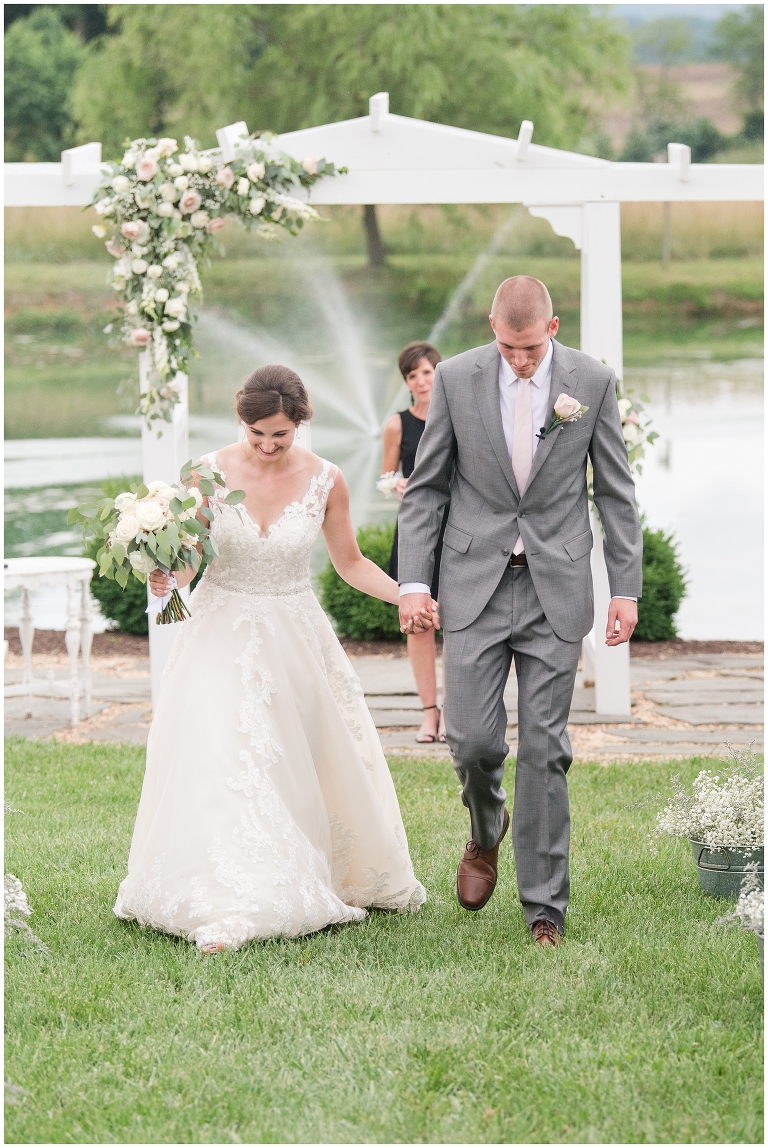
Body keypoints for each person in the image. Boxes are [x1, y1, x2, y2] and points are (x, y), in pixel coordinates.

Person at [114, 365, 431, 951]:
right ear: (243, 421)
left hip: (294, 635)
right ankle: (223, 896)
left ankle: (311, 872)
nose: (265, 446)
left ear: (299, 425)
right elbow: (190, 559)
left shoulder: (325, 480)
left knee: (292, 760)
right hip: (218, 630)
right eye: (256, 434)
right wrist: (166, 575)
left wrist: (409, 593)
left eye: (279, 436)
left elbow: (350, 563)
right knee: (223, 753)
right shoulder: (206, 475)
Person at [397, 276, 642, 947]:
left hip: (553, 586)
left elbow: (615, 492)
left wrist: (626, 588)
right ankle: (484, 832)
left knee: (544, 748)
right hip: (474, 582)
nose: (521, 360)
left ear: (553, 329)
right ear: (492, 328)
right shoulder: (455, 377)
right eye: (509, 346)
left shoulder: (591, 382)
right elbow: (427, 489)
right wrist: (414, 582)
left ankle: (544, 909)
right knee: (473, 741)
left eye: (531, 347)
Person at [382, 341, 447, 744]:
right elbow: (385, 475)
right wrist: (397, 484)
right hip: (414, 531)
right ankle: (429, 713)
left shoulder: (456, 412)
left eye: (426, 372)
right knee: (418, 625)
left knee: (460, 623)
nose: (421, 381)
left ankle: (458, 712)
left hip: (458, 529)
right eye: (412, 375)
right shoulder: (398, 424)